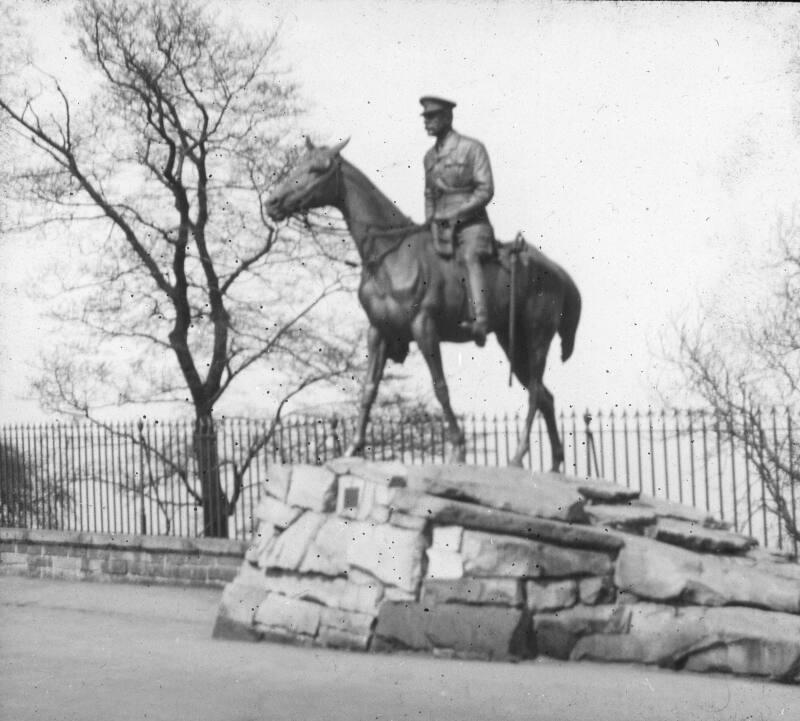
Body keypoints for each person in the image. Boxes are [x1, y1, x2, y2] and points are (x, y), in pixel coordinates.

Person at [421, 95, 495, 347]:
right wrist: (429, 221)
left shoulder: (472, 148)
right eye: (426, 118)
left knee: (469, 257)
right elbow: (430, 195)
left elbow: (485, 190)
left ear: (447, 118)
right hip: (440, 226)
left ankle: (481, 321)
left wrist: (456, 214)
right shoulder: (429, 158)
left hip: (471, 224)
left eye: (432, 117)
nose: (427, 122)